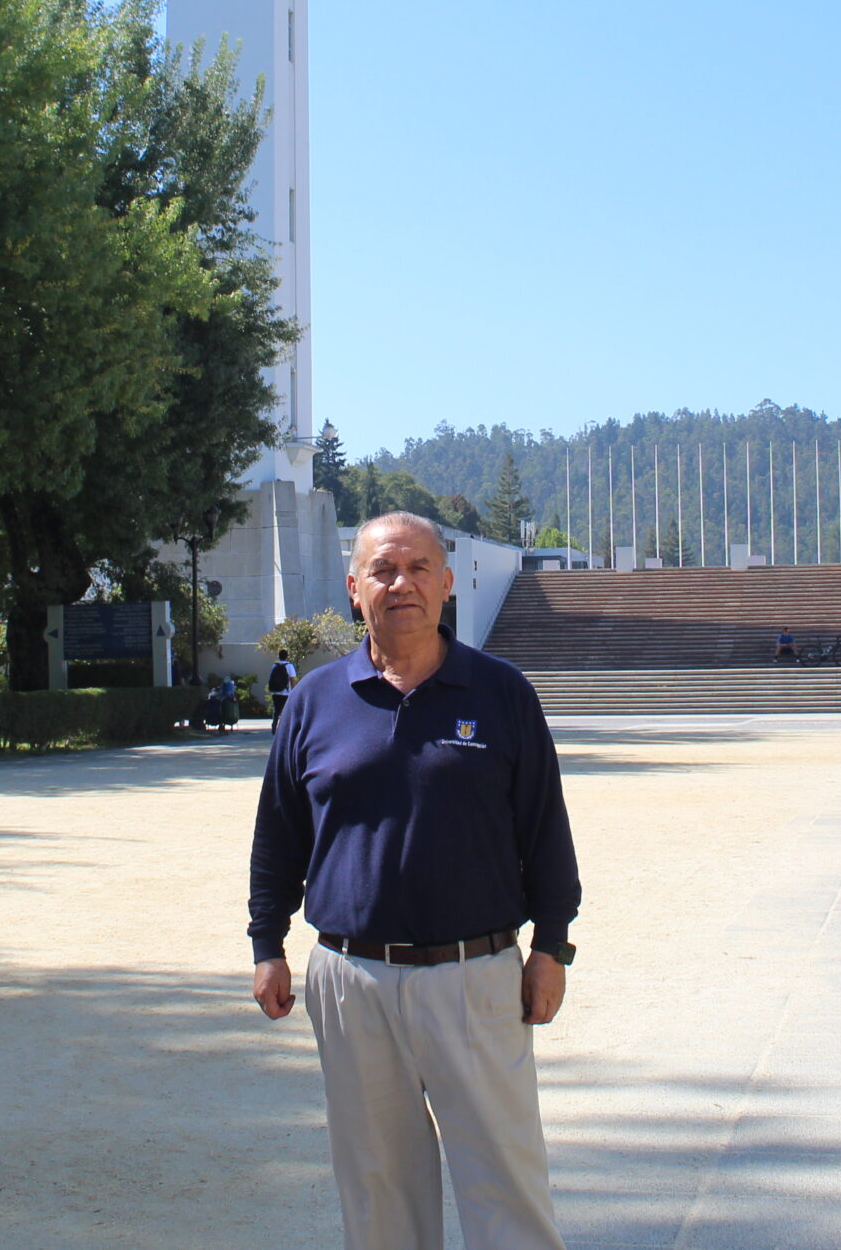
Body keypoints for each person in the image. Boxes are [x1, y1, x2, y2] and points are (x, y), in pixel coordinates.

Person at [249, 512, 579, 1250]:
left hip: (475, 978)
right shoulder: (312, 702)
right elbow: (278, 833)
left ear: (448, 582)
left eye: (420, 567)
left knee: (506, 1187)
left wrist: (552, 946)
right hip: (350, 980)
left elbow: (545, 829)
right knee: (377, 1191)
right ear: (353, 588)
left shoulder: (501, 693)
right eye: (384, 570)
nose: (403, 584)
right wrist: (265, 941)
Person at [266, 648, 297, 720]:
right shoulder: (289, 666)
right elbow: (292, 679)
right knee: (285, 710)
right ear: (287, 656)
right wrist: (294, 690)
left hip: (275, 691)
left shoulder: (274, 665)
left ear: (279, 656)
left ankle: (275, 722)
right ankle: (283, 725)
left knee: (277, 709)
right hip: (285, 692)